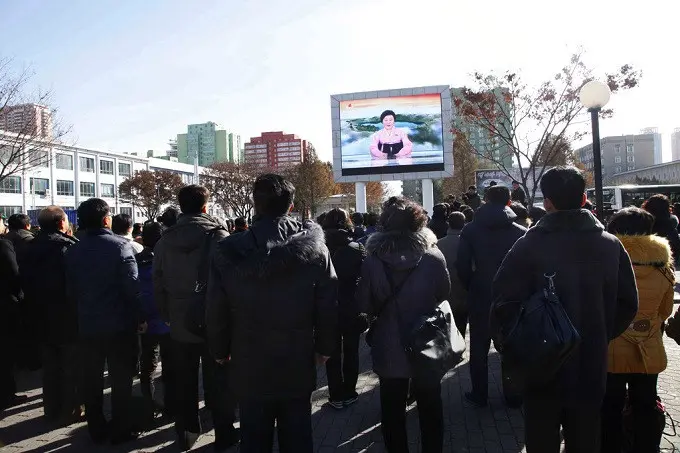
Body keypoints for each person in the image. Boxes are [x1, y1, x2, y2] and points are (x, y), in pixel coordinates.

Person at [492, 166, 638, 452]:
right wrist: (599, 332)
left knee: (540, 437)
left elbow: (502, 302)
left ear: (546, 202)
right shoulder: (610, 245)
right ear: (584, 198)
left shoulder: (530, 243)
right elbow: (628, 304)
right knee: (585, 437)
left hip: (541, 364)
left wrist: (517, 345)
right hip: (591, 362)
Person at [206, 174, 338, 453]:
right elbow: (328, 300)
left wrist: (219, 349)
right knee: (298, 433)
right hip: (297, 354)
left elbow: (216, 306)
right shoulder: (315, 248)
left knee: (253, 436)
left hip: (248, 355)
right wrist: (325, 347)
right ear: (290, 206)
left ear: (255, 205)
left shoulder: (229, 250)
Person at [357, 196, 450, 453]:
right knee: (431, 405)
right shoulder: (433, 256)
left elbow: (364, 303)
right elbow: (444, 293)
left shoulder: (373, 260)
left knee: (392, 409)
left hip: (389, 341)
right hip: (428, 341)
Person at [153, 185, 236, 451]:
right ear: (204, 206)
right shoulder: (220, 236)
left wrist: (167, 315)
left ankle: (186, 430)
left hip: (179, 319)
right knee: (219, 379)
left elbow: (158, 282)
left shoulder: (164, 241)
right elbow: (232, 283)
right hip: (216, 319)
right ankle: (224, 432)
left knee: (184, 380)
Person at [64, 198, 144, 444]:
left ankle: (96, 428)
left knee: (92, 379)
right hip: (120, 325)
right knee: (121, 380)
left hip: (88, 324)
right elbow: (132, 288)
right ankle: (121, 428)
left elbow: (70, 290)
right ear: (106, 219)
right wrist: (140, 317)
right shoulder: (121, 247)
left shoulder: (73, 250)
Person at [601, 207, 674, 453]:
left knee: (609, 406)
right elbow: (665, 311)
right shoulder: (664, 268)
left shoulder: (606, 262)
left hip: (610, 347)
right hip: (647, 350)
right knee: (645, 403)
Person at [456, 185, 526, 408]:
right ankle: (513, 394)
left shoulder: (470, 230)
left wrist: (473, 285)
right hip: (512, 295)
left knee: (478, 346)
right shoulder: (521, 233)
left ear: (485, 200)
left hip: (481, 291)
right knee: (512, 344)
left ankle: (479, 393)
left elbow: (462, 266)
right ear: (509, 201)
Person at [21, 206, 81, 424]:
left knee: (50, 366)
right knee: (70, 366)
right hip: (66, 315)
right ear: (60, 223)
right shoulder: (68, 247)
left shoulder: (30, 247)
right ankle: (70, 410)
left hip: (39, 314)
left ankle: (51, 409)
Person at [321, 208, 366, 409]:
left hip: (327, 307)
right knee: (351, 350)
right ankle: (350, 390)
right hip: (351, 305)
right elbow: (365, 280)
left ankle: (335, 394)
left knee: (331, 351)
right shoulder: (357, 248)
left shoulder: (318, 248)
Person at [135, 222, 175, 418]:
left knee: (147, 366)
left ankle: (148, 405)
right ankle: (171, 405)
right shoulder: (168, 260)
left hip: (146, 321)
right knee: (170, 366)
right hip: (167, 320)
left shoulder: (135, 260)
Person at [0, 236, 25, 411]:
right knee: (5, 352)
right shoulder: (3, 244)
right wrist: (20, 297)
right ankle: (6, 395)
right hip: (4, 303)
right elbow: (13, 272)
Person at [437, 211, 468, 336]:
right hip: (465, 289)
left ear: (448, 223)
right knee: (461, 323)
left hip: (445, 292)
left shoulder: (438, 244)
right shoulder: (468, 243)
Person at [642, 194, 680, 263]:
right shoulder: (671, 226)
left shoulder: (643, 226)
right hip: (665, 268)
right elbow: (676, 251)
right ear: (667, 208)